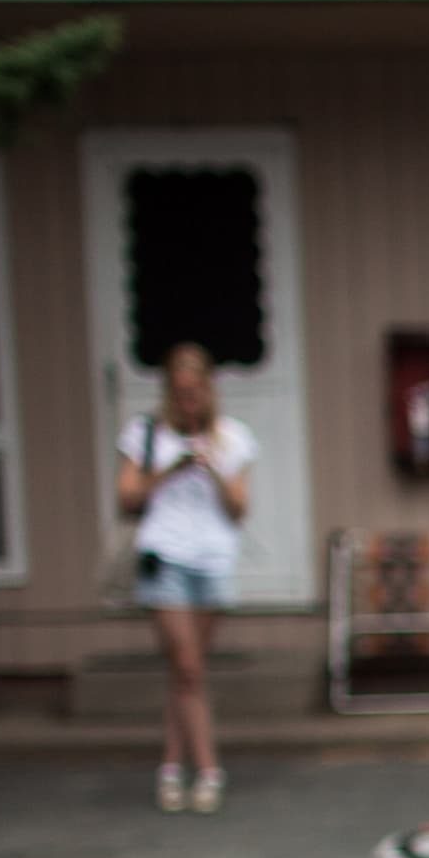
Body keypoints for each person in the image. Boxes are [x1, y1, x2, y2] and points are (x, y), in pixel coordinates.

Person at [116, 343, 255, 814]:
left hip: (212, 559)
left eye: (195, 392)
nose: (188, 401)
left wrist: (211, 466)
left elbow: (239, 509)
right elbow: (127, 498)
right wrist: (169, 470)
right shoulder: (146, 434)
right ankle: (210, 771)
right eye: (180, 393)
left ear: (209, 390)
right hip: (165, 556)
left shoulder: (232, 438)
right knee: (189, 669)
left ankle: (171, 767)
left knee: (186, 674)